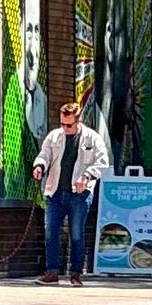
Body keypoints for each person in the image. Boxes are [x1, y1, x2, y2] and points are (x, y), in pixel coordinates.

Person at [32, 101, 109, 286]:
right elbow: (45, 154)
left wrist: (87, 176)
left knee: (76, 234)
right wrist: (39, 166)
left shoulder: (93, 138)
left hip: (79, 194)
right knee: (51, 232)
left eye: (69, 125)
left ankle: (75, 274)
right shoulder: (54, 137)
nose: (65, 128)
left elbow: (102, 162)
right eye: (62, 124)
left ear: (78, 121)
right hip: (55, 192)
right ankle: (52, 272)